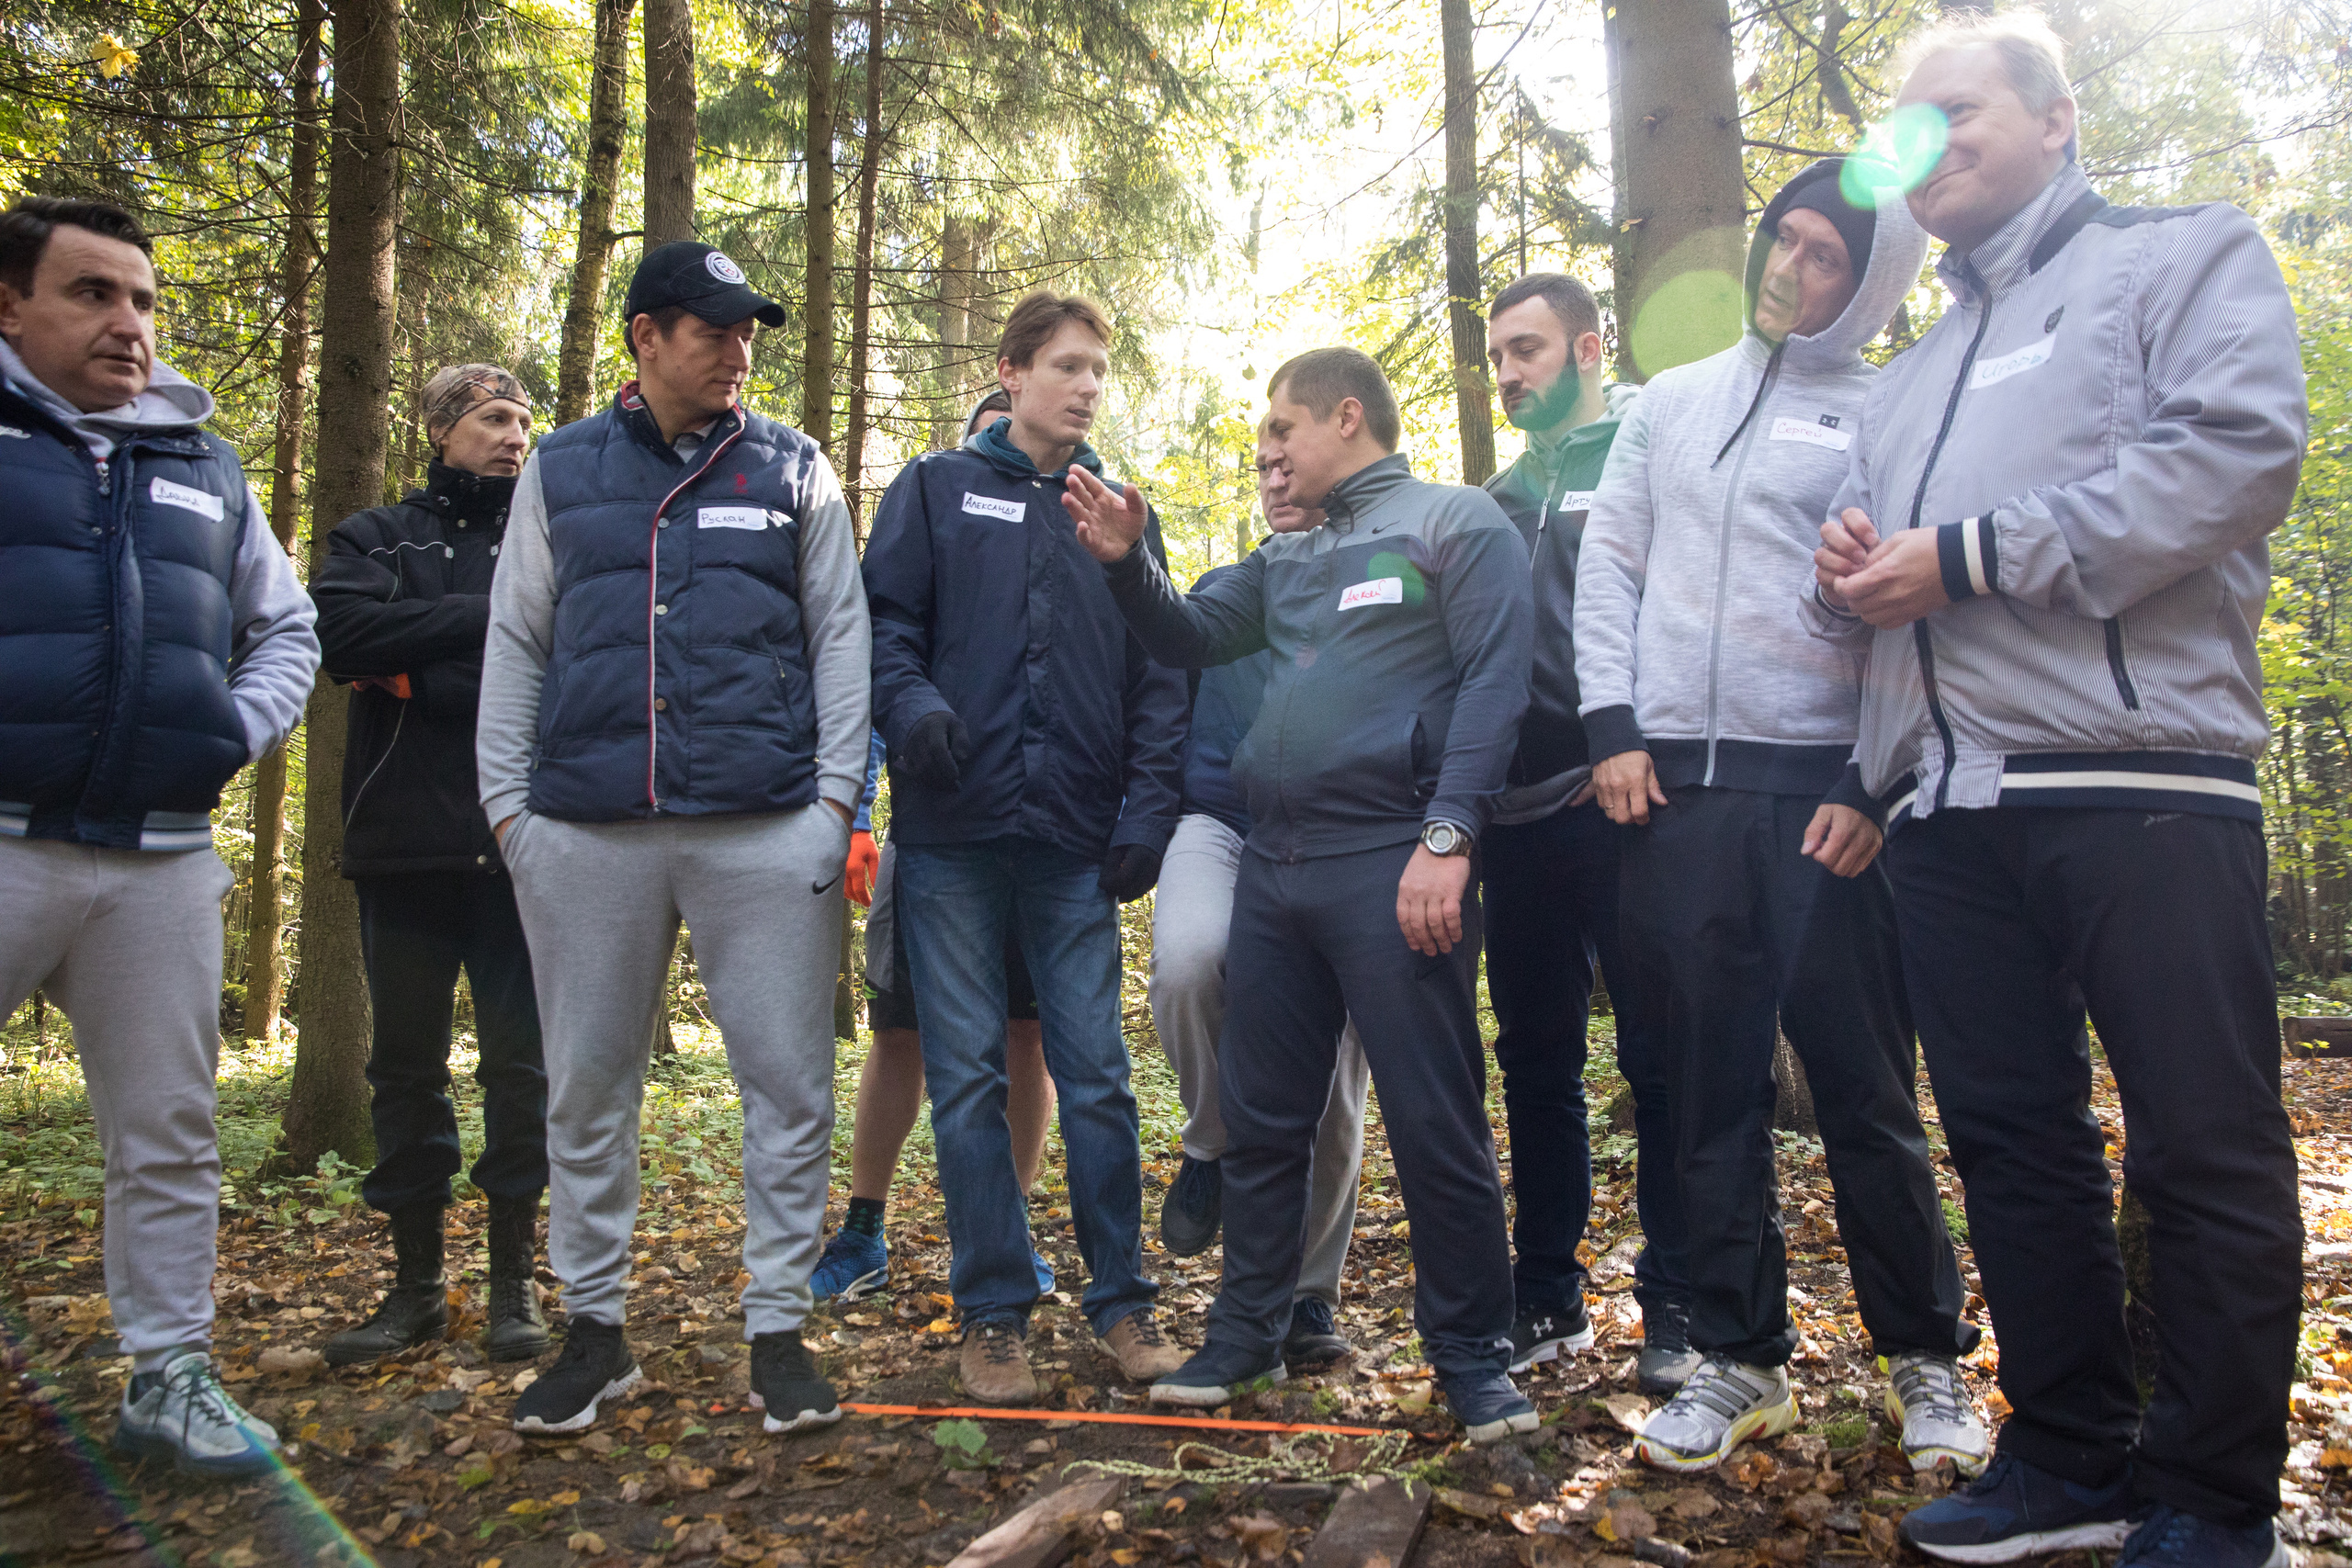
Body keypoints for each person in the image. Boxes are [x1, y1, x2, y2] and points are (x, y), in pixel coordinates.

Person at [1807, 16, 2308, 1565]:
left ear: (2056, 117)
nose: (1926, 148)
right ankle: (2070, 1453)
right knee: (2012, 1142)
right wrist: (1849, 583)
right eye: (1903, 133)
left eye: (1955, 113)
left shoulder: (2182, 259)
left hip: (2146, 781)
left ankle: (2219, 1501)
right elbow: (1874, 587)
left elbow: (2238, 453)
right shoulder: (1908, 375)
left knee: (2199, 1144)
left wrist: (1959, 555)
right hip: (1949, 814)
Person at [1575, 158, 1984, 1476]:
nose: (1787, 270)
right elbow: (1612, 567)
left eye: (1824, 256)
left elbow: (1895, 616)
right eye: (1782, 240)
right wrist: (1612, 728)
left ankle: (1927, 1361)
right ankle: (1740, 1357)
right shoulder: (1669, 403)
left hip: (1824, 796)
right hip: (1675, 794)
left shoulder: (1888, 410)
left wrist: (1874, 781)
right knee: (1704, 1087)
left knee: (1866, 1085)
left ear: (1868, 287)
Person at [1068, 347, 1541, 1445]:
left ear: (1345, 417)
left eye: (1283, 429)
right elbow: (1185, 635)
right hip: (1276, 871)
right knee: (1267, 1118)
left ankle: (1473, 1358)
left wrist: (1448, 834)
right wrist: (1127, 563)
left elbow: (1494, 686)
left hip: (1394, 862)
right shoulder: (1284, 558)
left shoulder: (1453, 524)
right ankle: (1245, 1335)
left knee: (1435, 1118)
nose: (1269, 452)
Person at [477, 241, 871, 1437]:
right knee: (588, 1084)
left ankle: (778, 1332)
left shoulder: (794, 467)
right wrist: (512, 813)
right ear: (646, 336)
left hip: (765, 828)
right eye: (711, 329)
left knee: (790, 1086)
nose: (737, 349)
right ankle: (594, 1333)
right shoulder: (559, 469)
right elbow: (517, 640)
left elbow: (840, 639)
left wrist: (831, 805)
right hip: (587, 831)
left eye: (748, 329)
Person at [0, 196, 320, 1474]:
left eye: (140, 298)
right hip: (8, 833)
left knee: (171, 1128)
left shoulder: (204, 461)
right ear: (12, 304)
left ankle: (170, 1375)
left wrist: (226, 735)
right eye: (91, 293)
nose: (128, 323)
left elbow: (285, 626)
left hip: (162, 854)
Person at [864, 292, 1189, 1404]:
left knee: (1097, 1079)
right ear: (1009, 374)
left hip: (1072, 844)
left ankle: (1125, 1304)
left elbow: (1164, 673)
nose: (1088, 385)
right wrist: (911, 713)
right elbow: (883, 629)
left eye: (1099, 367)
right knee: (962, 1083)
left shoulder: (1119, 514)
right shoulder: (933, 489)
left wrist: (1148, 812)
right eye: (1065, 366)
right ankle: (991, 1310)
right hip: (952, 836)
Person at [1477, 273, 1693, 1391]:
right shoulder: (1493, 498)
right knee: (1535, 1063)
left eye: (1529, 349)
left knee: (1658, 1059)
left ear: (1588, 346)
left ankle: (1676, 1305)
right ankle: (1548, 1296)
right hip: (1515, 824)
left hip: (1627, 804)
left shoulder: (1647, 452)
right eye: (1499, 356)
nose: (1510, 373)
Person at [312, 364, 551, 1368]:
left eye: (526, 422)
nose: (515, 436)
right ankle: (412, 1290)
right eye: (496, 418)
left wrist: (417, 666)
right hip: (400, 844)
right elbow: (341, 631)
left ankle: (511, 1290)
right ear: (444, 426)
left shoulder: (552, 539)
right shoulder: (376, 536)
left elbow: (570, 652)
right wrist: (491, 628)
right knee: (404, 1073)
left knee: (519, 1071)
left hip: (519, 845)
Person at [811, 389, 1061, 1304]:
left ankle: (1011, 1228)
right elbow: (881, 661)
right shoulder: (927, 514)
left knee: (1025, 1033)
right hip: (930, 835)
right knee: (903, 1030)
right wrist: (856, 817)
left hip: (1040, 840)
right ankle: (863, 1229)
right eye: (991, 428)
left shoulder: (1072, 519)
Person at [1148, 427, 1370, 1373]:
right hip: (1223, 825)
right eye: (1263, 469)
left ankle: (1307, 1300)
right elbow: (1158, 698)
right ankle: (1211, 1146)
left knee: (1332, 1077)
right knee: (1192, 959)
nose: (1276, 481)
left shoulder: (1380, 588)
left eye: (1292, 465)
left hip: (1345, 843)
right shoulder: (1222, 597)